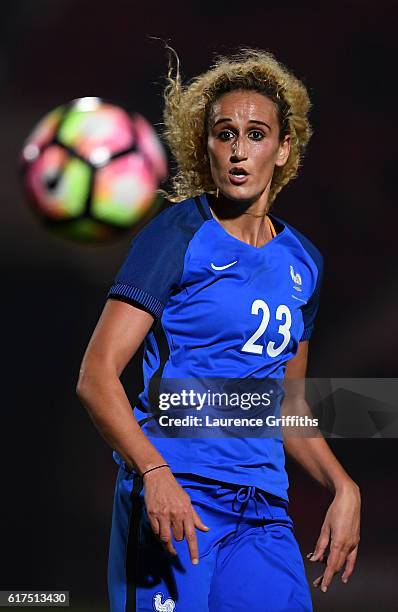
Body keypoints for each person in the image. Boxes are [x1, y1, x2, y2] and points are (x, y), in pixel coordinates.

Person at [76, 48, 361, 612]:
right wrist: (154, 471)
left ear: (283, 149)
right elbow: (96, 377)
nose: (238, 150)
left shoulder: (304, 261)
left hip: (264, 512)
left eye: (256, 135)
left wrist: (342, 485)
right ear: (204, 145)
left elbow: (285, 403)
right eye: (223, 133)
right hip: (178, 496)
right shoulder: (177, 236)